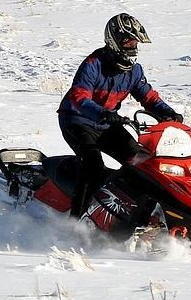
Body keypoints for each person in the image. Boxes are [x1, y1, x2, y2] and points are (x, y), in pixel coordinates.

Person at [56, 13, 182, 218]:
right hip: (77, 121)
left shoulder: (134, 71)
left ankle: (146, 215)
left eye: (135, 43)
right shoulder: (93, 64)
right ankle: (76, 222)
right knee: (92, 166)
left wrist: (169, 113)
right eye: (128, 42)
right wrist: (102, 113)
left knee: (142, 162)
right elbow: (79, 97)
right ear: (114, 41)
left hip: (107, 125)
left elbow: (148, 97)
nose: (133, 48)